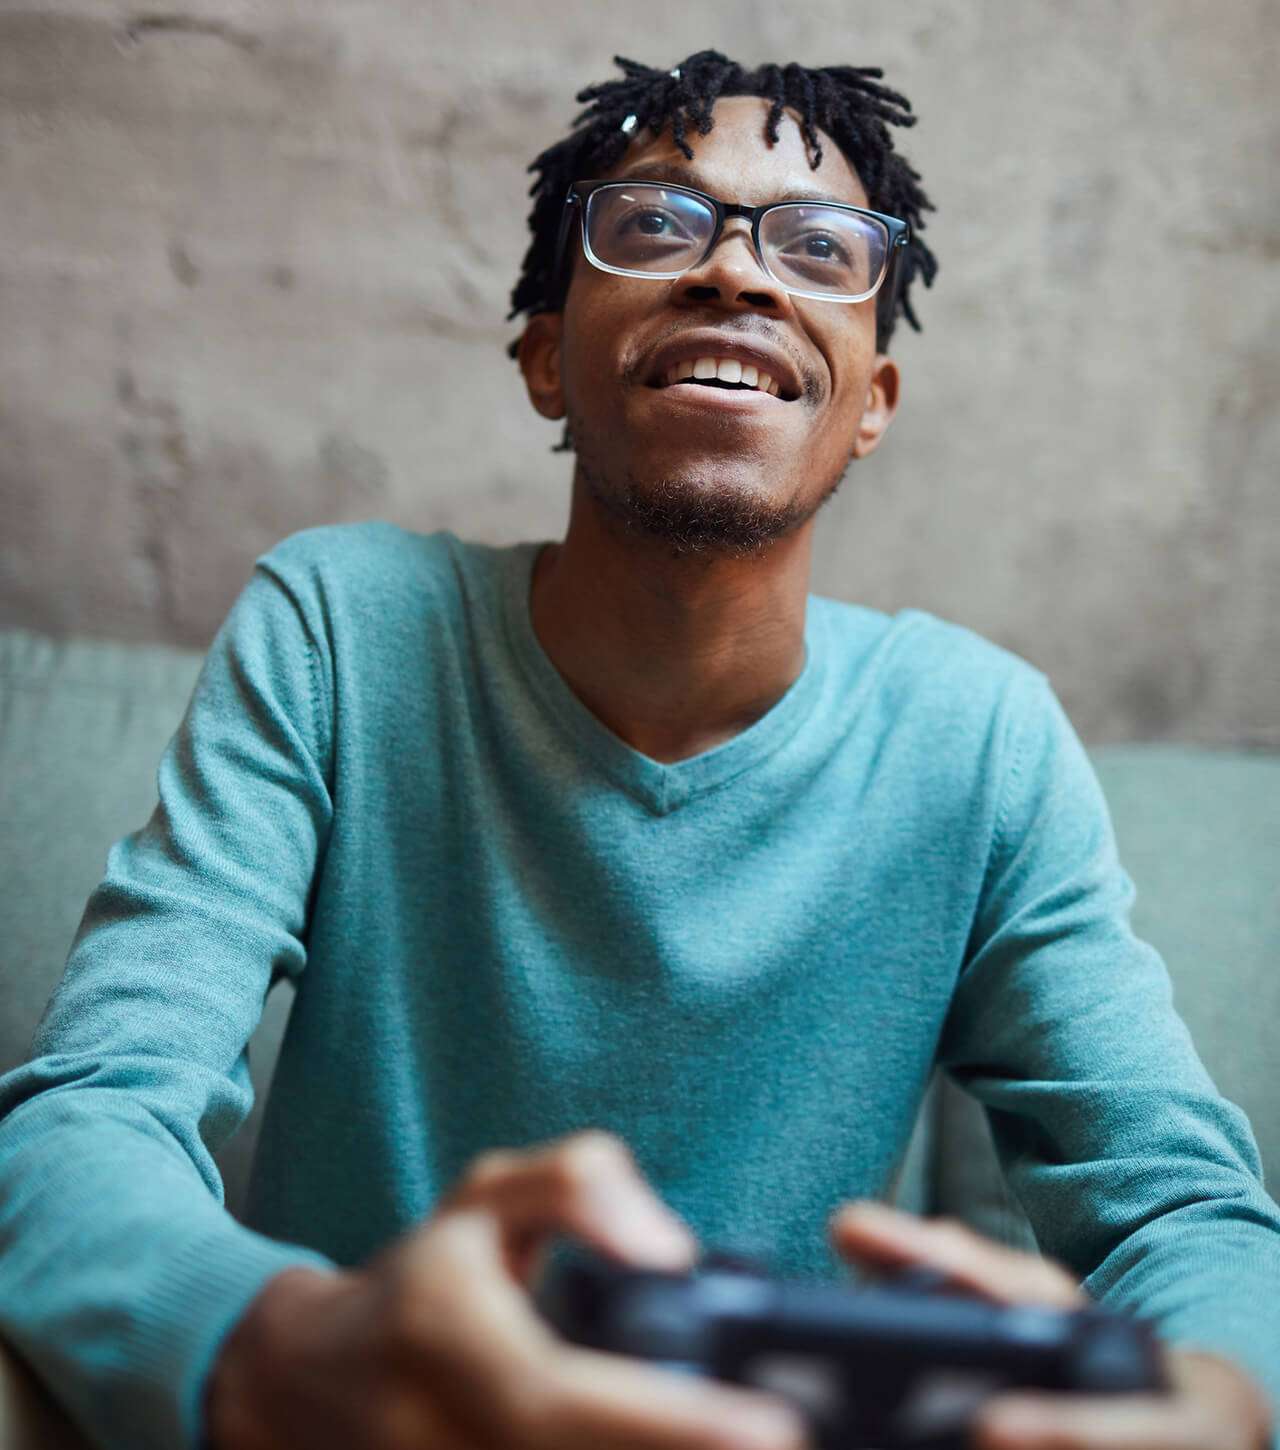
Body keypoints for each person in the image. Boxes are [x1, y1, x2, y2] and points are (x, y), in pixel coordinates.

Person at [0, 47, 1275, 1450]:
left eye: (817, 245)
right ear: (548, 357)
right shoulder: (338, 632)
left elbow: (1184, 1211)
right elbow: (83, 1123)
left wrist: (1219, 1400)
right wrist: (296, 1354)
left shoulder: (979, 739)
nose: (737, 273)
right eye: (658, 222)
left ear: (872, 407)